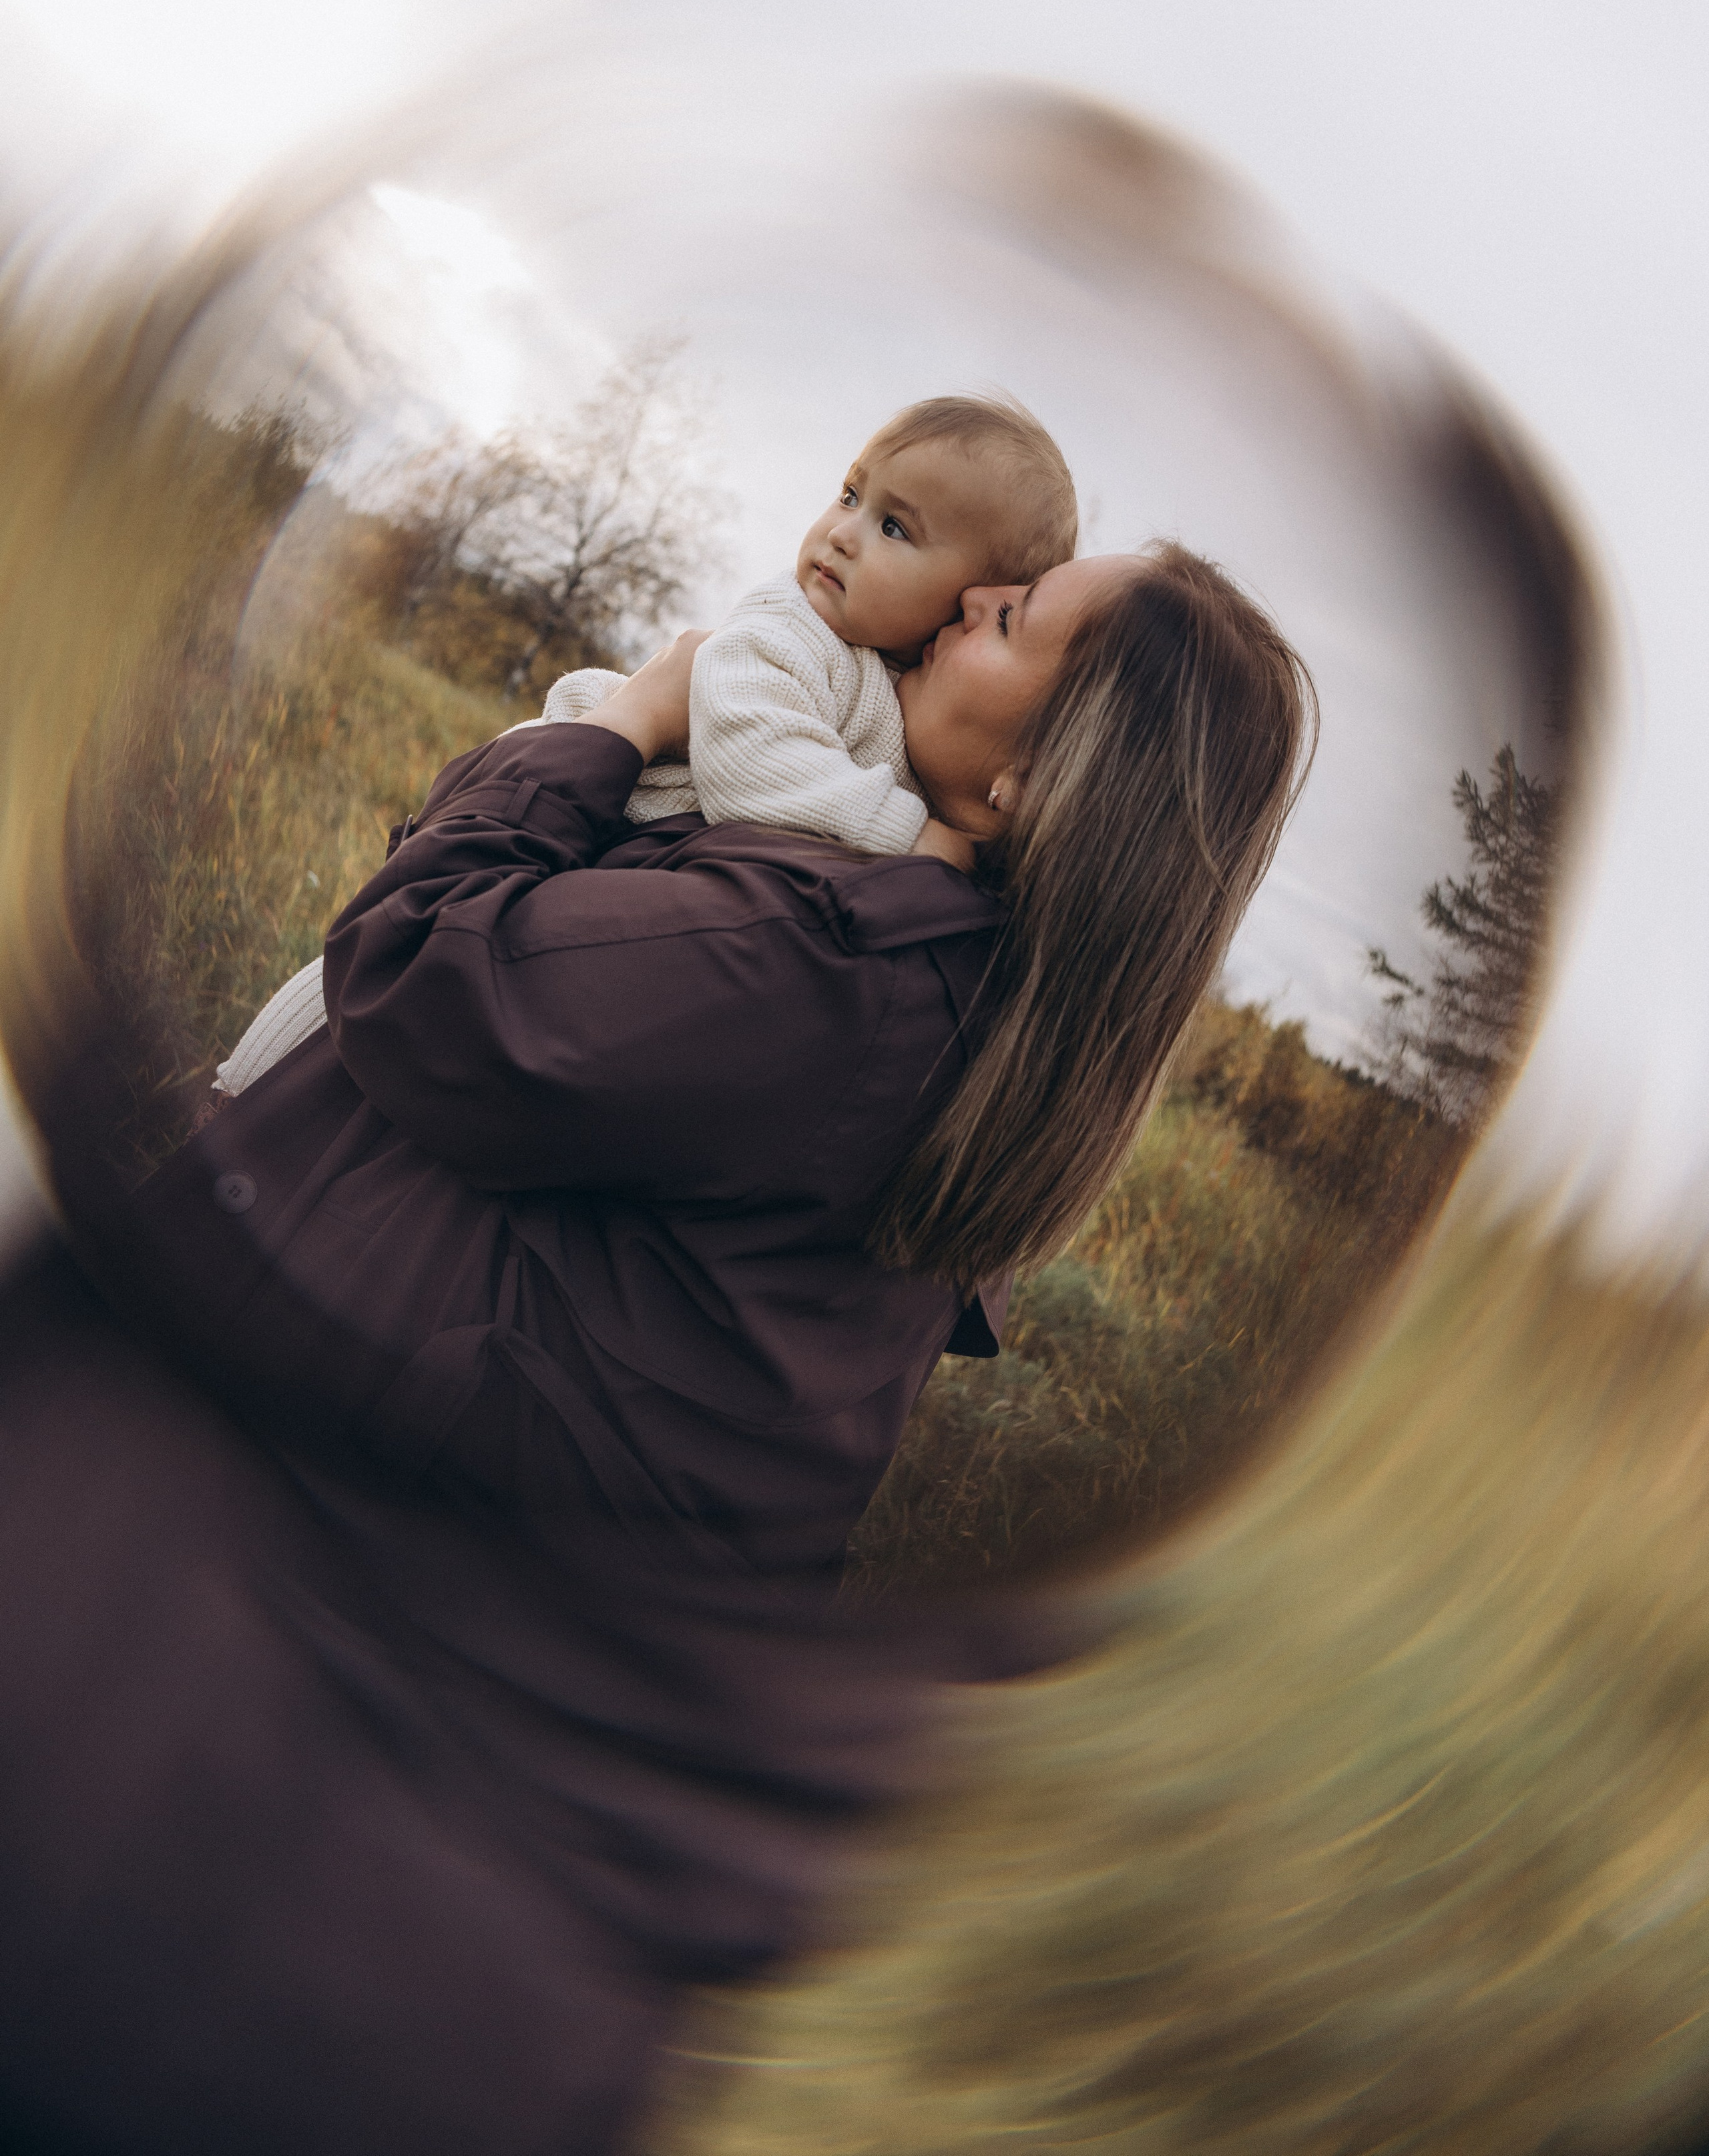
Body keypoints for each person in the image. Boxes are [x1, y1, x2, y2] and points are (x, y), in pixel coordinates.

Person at [6, 542, 1314, 2155]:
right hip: (446, 1839)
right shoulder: (952, 994)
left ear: (1043, 782)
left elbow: (415, 968)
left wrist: (619, 721)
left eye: (1014, 617)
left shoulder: (827, 964)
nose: (972, 594)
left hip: (243, 1787)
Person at [211, 392, 1078, 1100]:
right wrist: (912, 837)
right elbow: (751, 764)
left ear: (970, 595)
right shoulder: (789, 630)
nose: (844, 531)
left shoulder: (889, 693)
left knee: (426, 990)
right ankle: (235, 1091)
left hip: (624, 853)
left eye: (896, 528)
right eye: (851, 495)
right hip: (596, 791)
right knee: (348, 988)